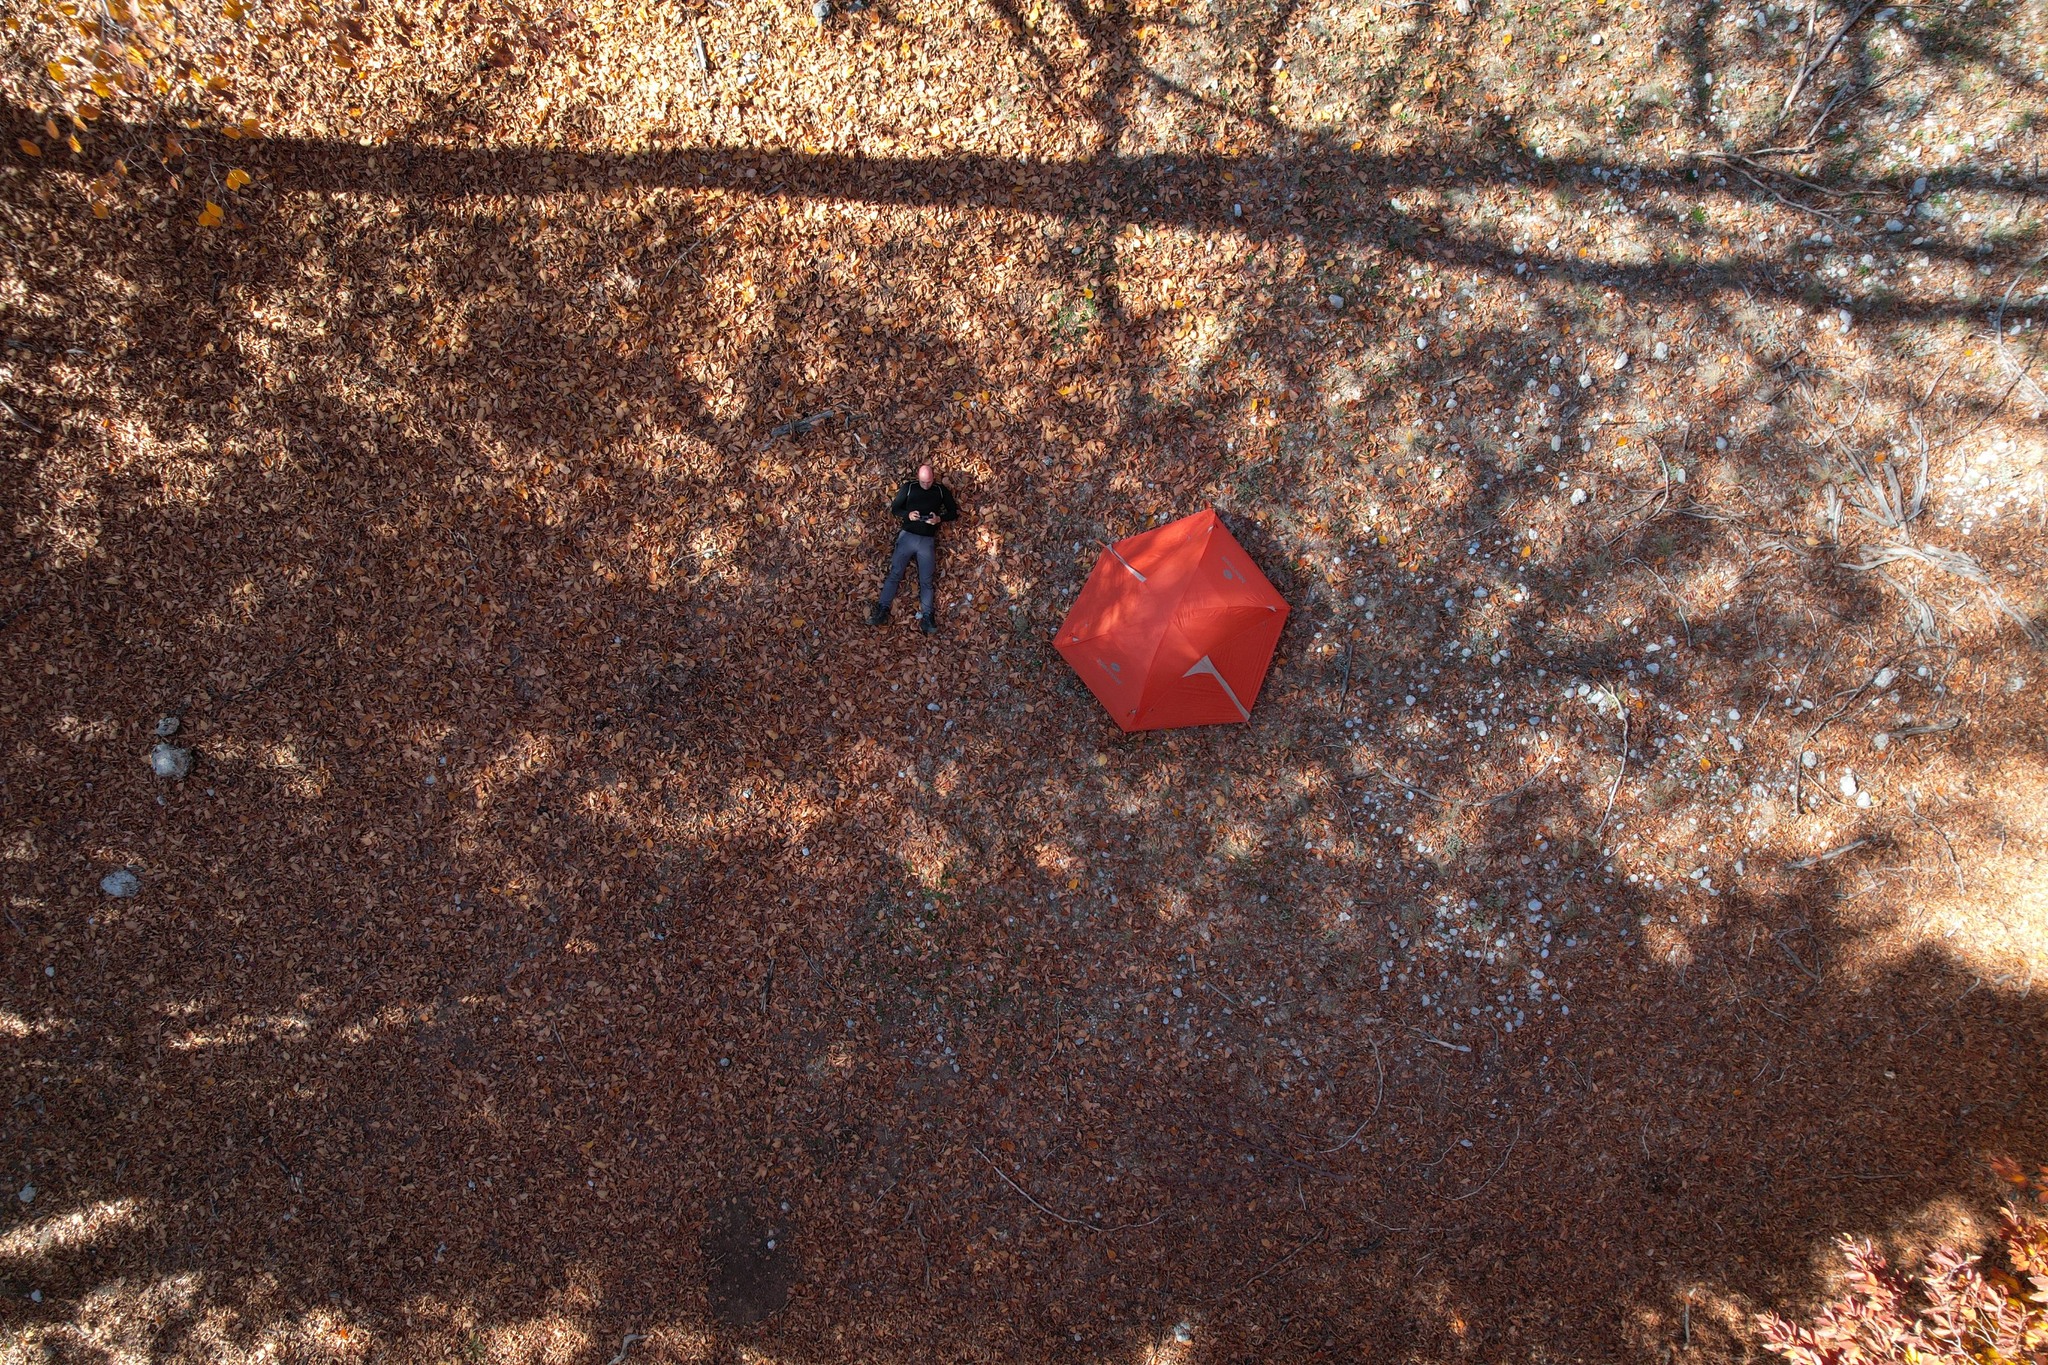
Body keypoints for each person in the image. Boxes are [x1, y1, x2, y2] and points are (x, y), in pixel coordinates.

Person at [866, 463, 958, 634]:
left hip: (926, 541)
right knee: (895, 573)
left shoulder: (940, 490)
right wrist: (908, 515)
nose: (926, 485)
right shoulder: (909, 487)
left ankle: (928, 618)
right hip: (907, 537)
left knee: (926, 580)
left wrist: (938, 519)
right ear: (918, 478)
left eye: (929, 482)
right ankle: (882, 611)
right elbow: (895, 508)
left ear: (933, 478)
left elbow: (953, 512)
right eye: (923, 482)